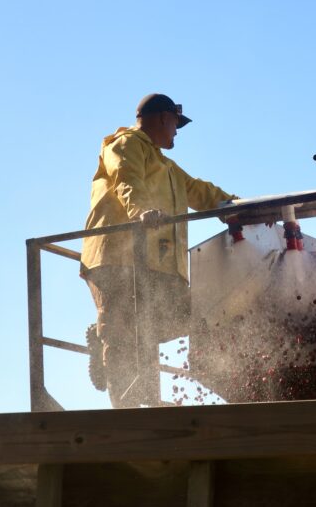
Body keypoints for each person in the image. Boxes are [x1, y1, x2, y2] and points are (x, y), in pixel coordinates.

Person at [80, 93, 237, 407]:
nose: (177, 131)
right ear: (164, 117)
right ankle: (128, 412)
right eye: (176, 124)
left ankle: (104, 338)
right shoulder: (123, 145)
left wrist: (239, 207)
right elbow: (127, 178)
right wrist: (140, 211)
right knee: (125, 335)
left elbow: (200, 191)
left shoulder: (167, 167)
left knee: (185, 319)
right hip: (115, 258)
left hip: (156, 265)